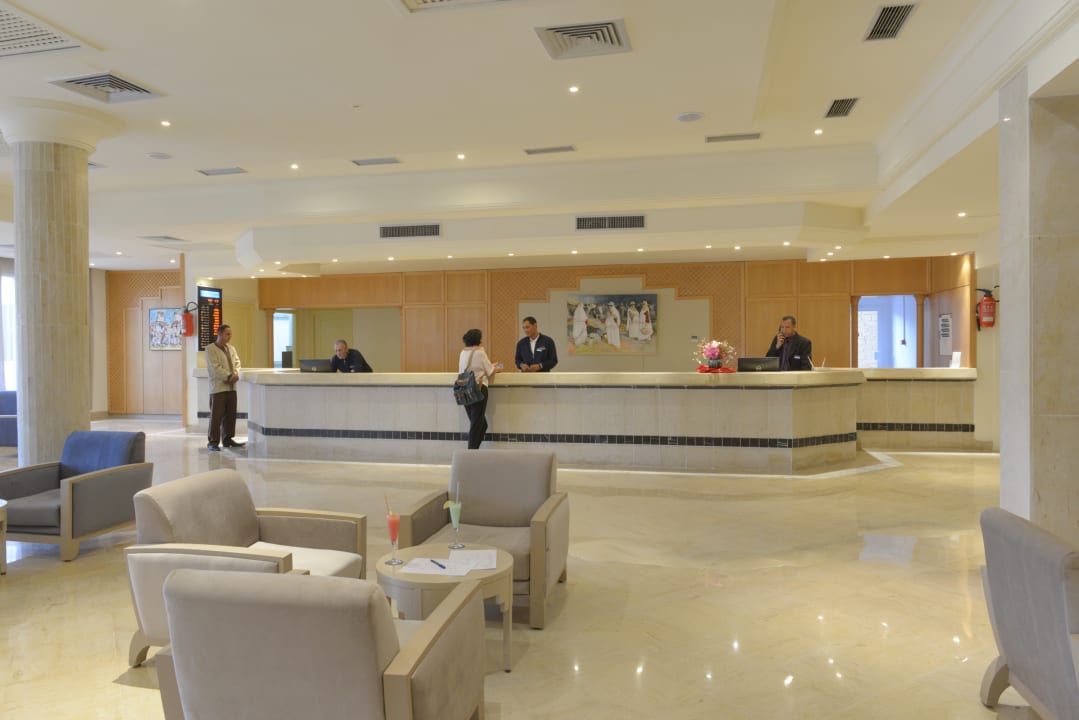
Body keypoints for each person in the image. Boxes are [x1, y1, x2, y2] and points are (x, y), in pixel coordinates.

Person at [459, 329, 502, 449]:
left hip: (464, 390)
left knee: (481, 425)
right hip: (478, 389)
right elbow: (489, 372)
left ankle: (473, 451)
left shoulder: (463, 352)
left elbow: (473, 368)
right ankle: (471, 453)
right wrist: (496, 368)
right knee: (477, 424)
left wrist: (489, 366)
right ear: (478, 340)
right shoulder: (480, 352)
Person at [206, 323, 245, 451]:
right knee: (216, 416)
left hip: (231, 388)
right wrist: (228, 377)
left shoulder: (231, 348)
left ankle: (228, 439)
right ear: (220, 334)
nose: (230, 337)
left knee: (230, 414)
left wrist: (236, 374)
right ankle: (213, 442)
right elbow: (215, 367)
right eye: (227, 334)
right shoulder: (210, 349)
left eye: (230, 334)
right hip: (219, 388)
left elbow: (237, 362)